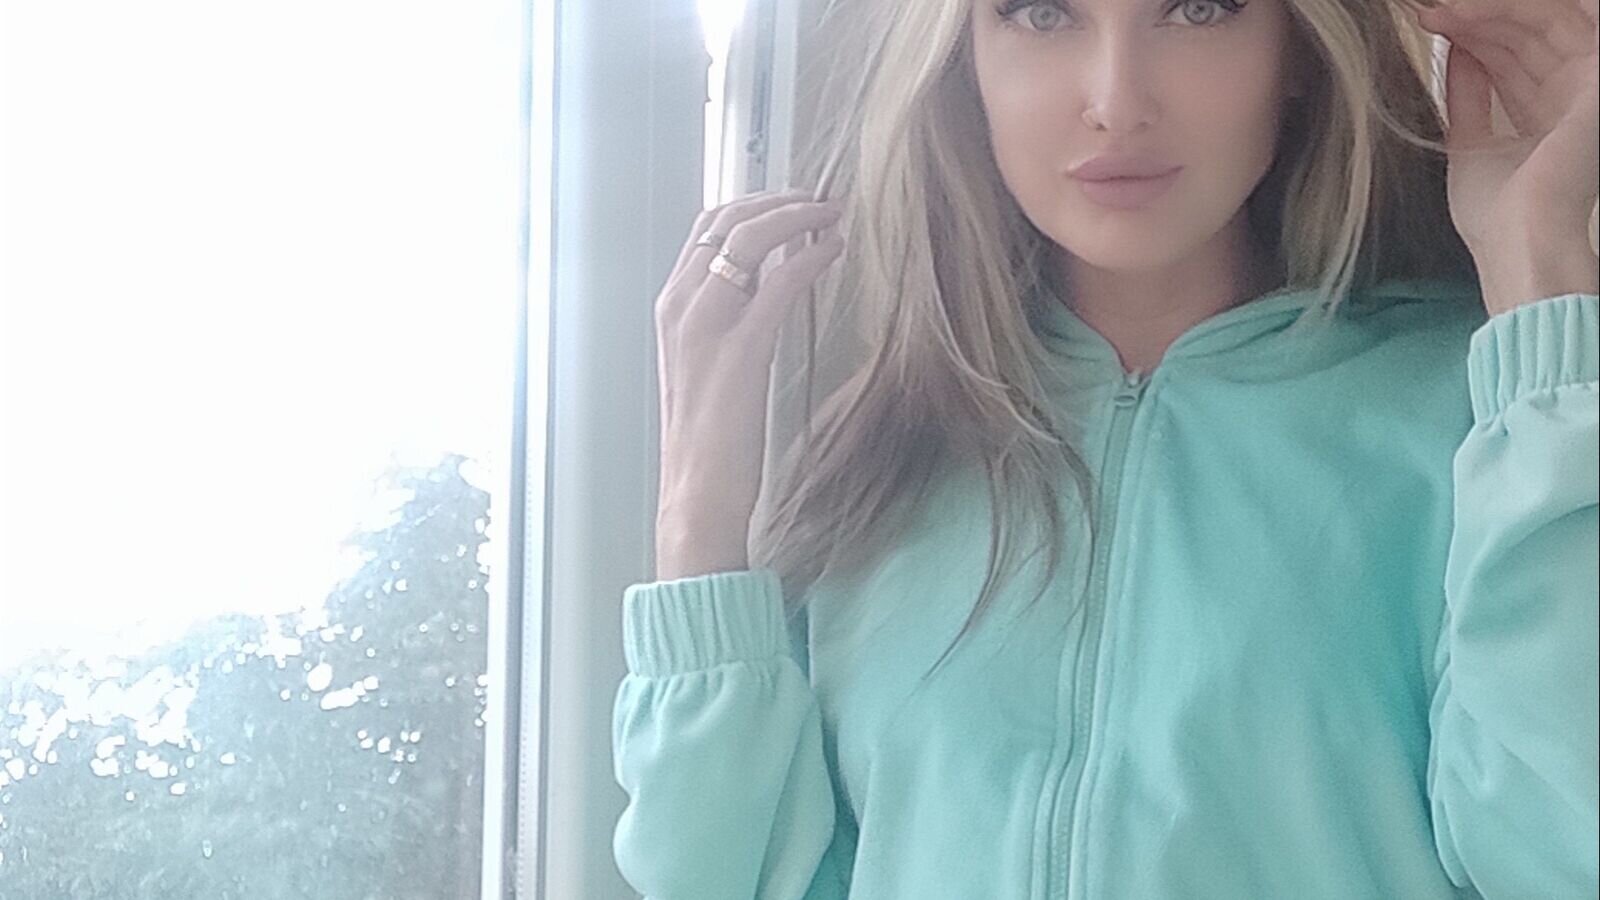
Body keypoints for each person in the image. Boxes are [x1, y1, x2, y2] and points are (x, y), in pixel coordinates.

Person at [615, 0, 1600, 896]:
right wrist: (698, 513)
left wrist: (1546, 280)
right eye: (1041, 14)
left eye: (1199, 10)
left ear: (1296, 53)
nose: (1116, 101)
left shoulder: (1482, 422)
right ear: (961, 61)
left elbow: (1564, 854)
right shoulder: (875, 465)